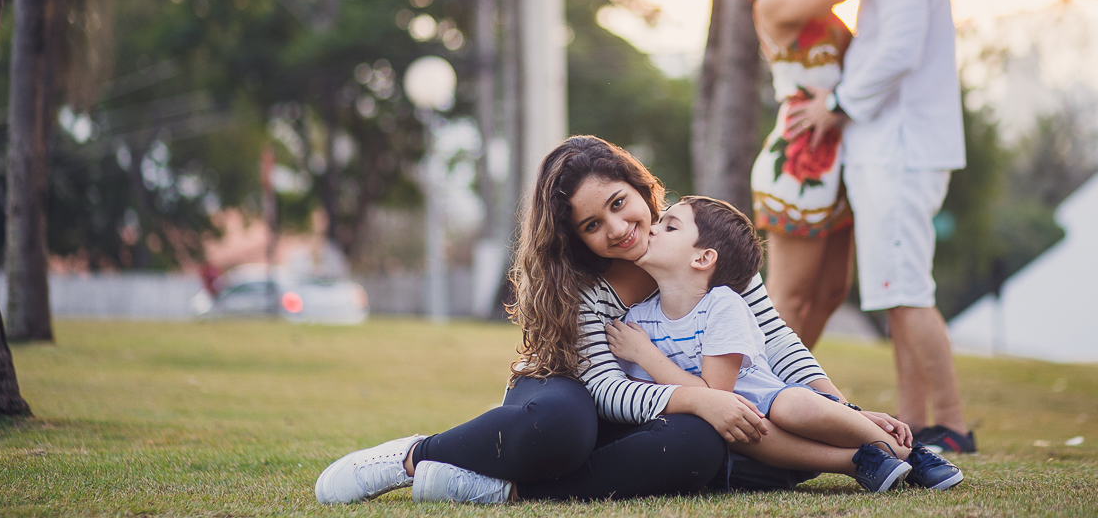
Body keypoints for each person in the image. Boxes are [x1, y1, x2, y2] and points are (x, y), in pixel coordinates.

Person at [315, 136, 908, 504]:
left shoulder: (704, 248)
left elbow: (778, 342)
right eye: (592, 225)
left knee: (707, 448)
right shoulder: (588, 289)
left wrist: (847, 413)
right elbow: (602, 388)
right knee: (565, 429)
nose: (618, 230)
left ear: (640, 187)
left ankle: (510, 490)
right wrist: (699, 399)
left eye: (619, 204)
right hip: (567, 388)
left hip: (658, 404)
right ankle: (415, 455)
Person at [789, 0, 974, 453]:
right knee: (897, 290)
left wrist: (836, 101)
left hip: (899, 149)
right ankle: (917, 419)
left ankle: (952, 422)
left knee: (906, 289)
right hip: (896, 148)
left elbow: (896, 51)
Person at [606, 195, 964, 493]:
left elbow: (716, 392)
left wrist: (645, 355)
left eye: (670, 226)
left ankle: (906, 452)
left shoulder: (723, 305)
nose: (651, 228)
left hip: (768, 399)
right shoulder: (639, 318)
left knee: (792, 406)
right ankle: (861, 461)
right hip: (738, 423)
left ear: (702, 258)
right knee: (737, 429)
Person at [734, 0, 934, 348]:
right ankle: (760, 400)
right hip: (799, 160)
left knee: (830, 293)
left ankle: (794, 390)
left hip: (841, 156)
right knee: (789, 298)